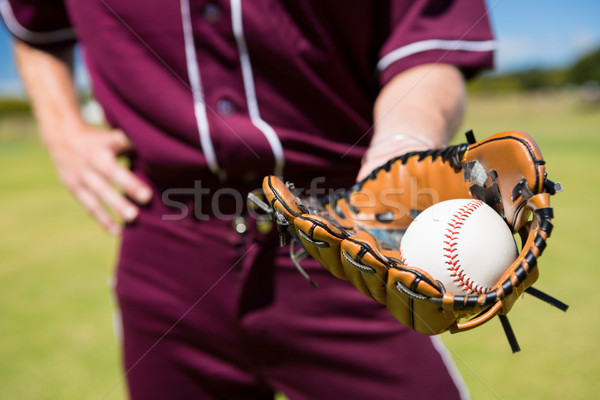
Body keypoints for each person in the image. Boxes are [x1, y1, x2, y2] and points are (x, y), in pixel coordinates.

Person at [2, 1, 494, 398]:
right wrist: (60, 127)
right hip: (165, 244)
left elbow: (429, 42)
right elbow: (32, 21)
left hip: (350, 237)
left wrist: (401, 148)